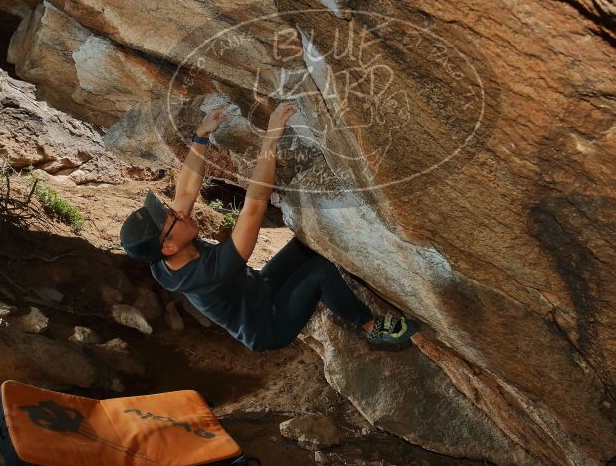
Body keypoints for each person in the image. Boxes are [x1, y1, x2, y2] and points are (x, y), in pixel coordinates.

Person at [119, 101, 417, 352]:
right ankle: (370, 326)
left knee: (308, 245)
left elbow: (184, 192)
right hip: (268, 326)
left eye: (170, 212)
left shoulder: (165, 252)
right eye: (171, 218)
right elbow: (255, 206)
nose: (178, 213)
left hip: (259, 288)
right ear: (169, 246)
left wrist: (200, 136)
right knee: (319, 272)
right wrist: (271, 138)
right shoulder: (210, 274)